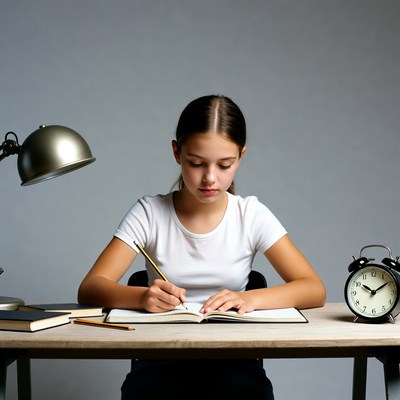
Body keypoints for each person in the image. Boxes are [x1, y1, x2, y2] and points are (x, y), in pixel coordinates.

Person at [78, 94, 326, 399]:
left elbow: (314, 288)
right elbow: (90, 288)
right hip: (159, 360)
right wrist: (143, 296)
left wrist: (249, 298)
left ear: (241, 157)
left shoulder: (250, 215)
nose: (210, 178)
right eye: (196, 163)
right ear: (176, 153)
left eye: (225, 165)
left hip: (234, 361)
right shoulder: (149, 213)